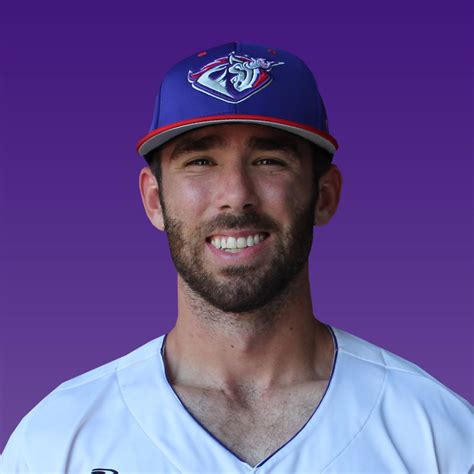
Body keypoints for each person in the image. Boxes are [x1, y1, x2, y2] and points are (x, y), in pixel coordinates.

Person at [1, 42, 472, 474]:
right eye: (200, 162)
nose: (235, 195)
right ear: (154, 200)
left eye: (269, 161)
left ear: (324, 196)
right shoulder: (57, 441)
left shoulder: (437, 435)